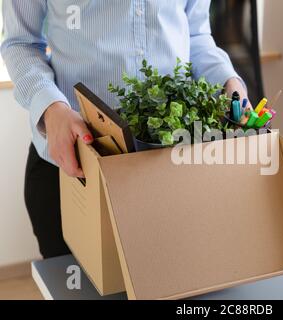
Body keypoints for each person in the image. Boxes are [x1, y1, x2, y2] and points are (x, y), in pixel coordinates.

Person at [1, 1, 249, 259]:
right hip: (74, 167)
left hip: (170, 167)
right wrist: (51, 108)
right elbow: (20, 43)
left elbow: (195, 35)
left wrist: (225, 81)